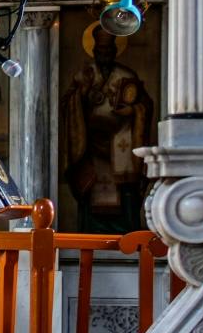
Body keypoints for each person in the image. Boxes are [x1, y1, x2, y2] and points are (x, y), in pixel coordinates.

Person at [62, 27, 156, 232]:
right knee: (91, 186)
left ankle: (128, 231)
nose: (104, 55)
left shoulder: (126, 75)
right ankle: (89, 232)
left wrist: (132, 110)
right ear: (94, 51)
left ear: (114, 51)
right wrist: (81, 95)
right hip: (90, 143)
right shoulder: (85, 75)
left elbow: (145, 106)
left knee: (125, 189)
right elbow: (67, 104)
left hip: (121, 139)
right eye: (100, 50)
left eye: (108, 50)